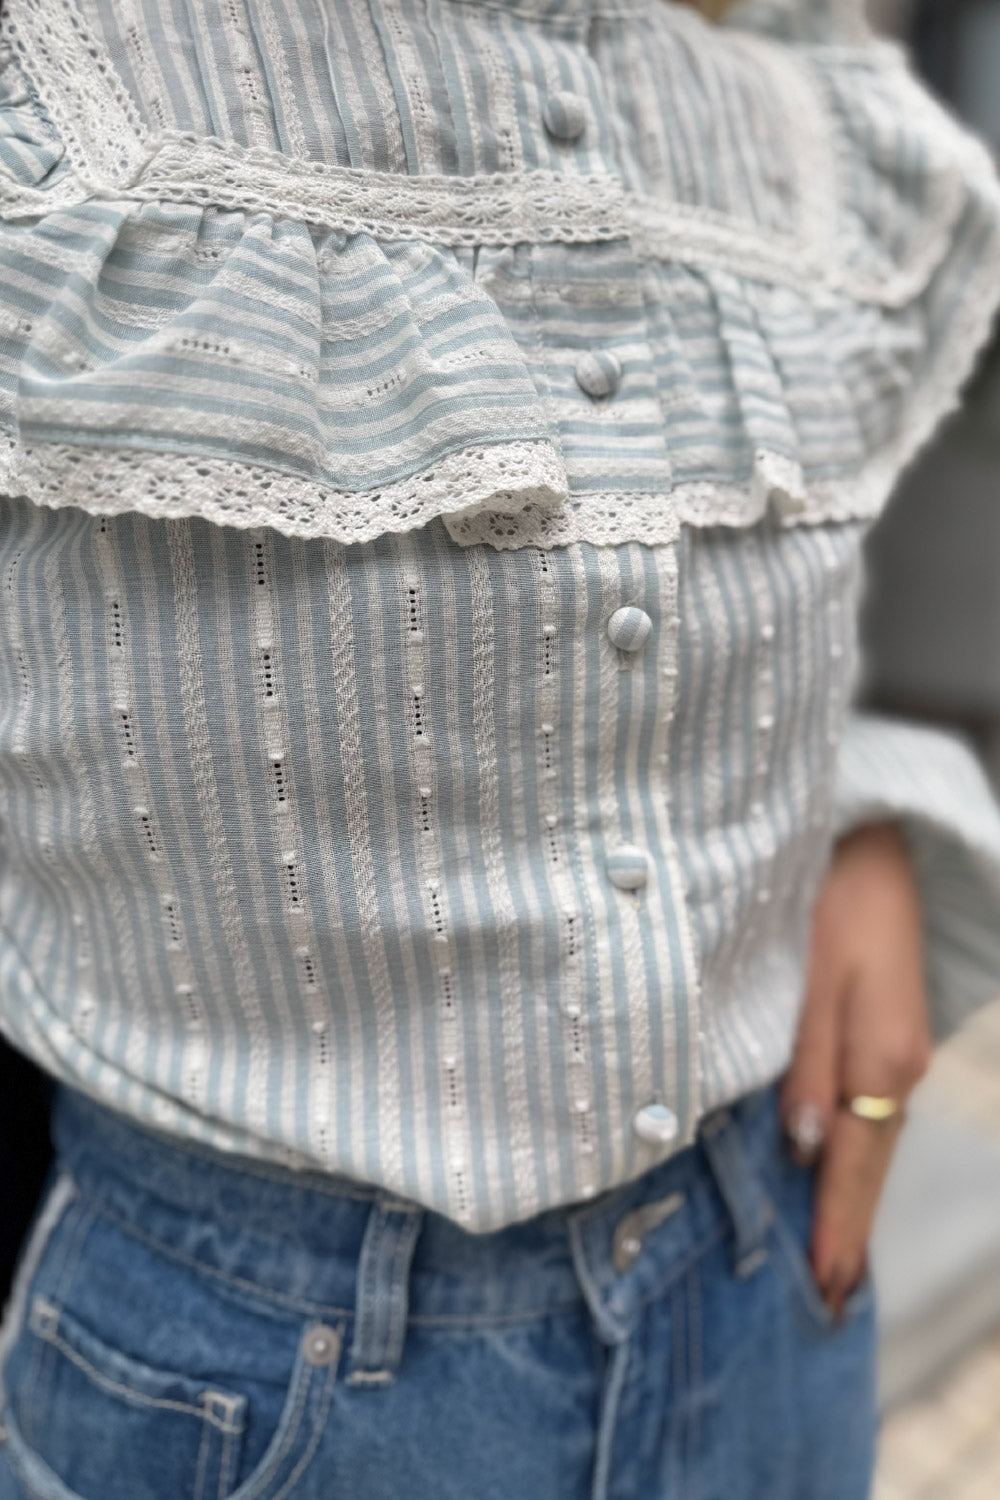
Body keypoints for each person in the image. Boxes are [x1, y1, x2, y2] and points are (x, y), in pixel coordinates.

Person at [1, 0, 1000, 1495]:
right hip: (258, 1374)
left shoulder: (804, 117)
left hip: (765, 1287)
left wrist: (853, 812)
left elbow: (805, 589)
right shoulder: (69, 77)